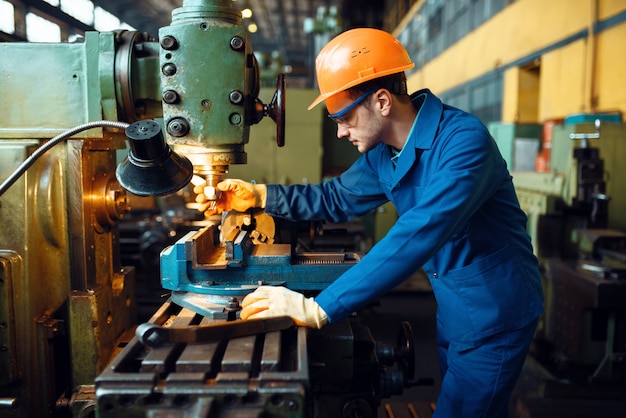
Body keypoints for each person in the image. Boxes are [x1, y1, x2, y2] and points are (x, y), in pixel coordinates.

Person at [195, 28, 544, 417]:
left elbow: (420, 233)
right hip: (454, 307)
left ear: (381, 101)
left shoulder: (463, 142)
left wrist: (319, 308)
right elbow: (335, 197)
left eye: (344, 117)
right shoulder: (385, 154)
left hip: (495, 311)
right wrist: (257, 195)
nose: (341, 131)